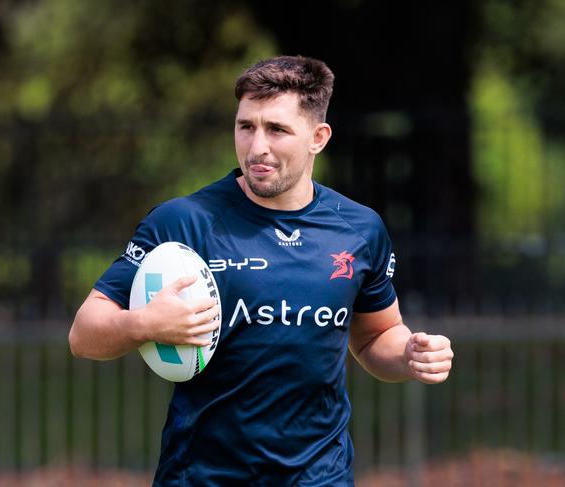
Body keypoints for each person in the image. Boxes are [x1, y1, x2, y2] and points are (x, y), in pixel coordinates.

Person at [69, 55, 454, 486]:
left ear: (318, 137)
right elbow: (84, 334)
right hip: (202, 476)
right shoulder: (184, 221)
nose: (257, 148)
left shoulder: (359, 230)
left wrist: (409, 354)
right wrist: (143, 323)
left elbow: (376, 335)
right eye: (246, 126)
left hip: (320, 476)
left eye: (277, 130)